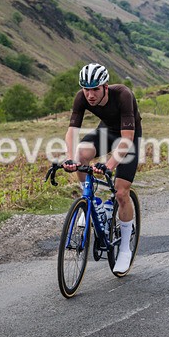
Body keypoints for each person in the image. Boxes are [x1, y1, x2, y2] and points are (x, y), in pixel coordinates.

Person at [62, 63, 142, 276]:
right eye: (86, 89)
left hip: (129, 136)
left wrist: (109, 165)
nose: (90, 95)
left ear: (105, 87)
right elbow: (72, 131)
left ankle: (124, 248)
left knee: (121, 192)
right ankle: (92, 202)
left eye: (95, 89)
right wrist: (69, 158)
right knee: (81, 155)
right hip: (106, 131)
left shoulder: (123, 94)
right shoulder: (81, 97)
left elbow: (127, 139)